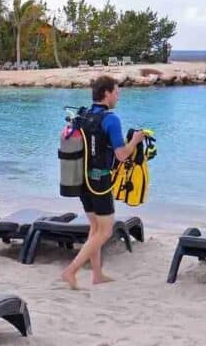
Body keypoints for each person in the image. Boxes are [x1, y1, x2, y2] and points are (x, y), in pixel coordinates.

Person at [60, 75, 144, 290]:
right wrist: (135, 141)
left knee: (95, 227)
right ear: (106, 93)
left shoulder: (84, 115)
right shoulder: (111, 119)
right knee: (105, 231)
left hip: (81, 180)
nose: (118, 97)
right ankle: (71, 271)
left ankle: (97, 274)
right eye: (116, 93)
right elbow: (122, 154)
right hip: (100, 181)